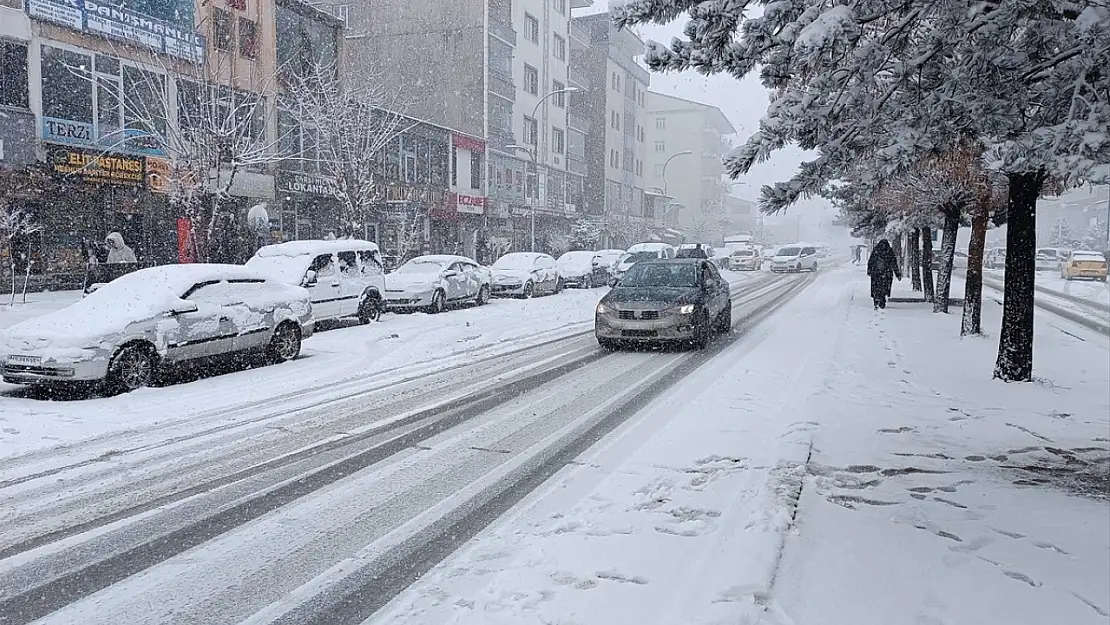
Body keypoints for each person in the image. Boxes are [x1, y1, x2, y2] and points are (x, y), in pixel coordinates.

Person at [867, 239, 902, 309]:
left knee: (876, 287)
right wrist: (897, 273)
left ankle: (876, 299)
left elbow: (871, 261)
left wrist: (869, 270)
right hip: (886, 273)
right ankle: (882, 299)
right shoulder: (889, 251)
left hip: (876, 273)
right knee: (884, 287)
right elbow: (894, 263)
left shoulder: (876, 250)